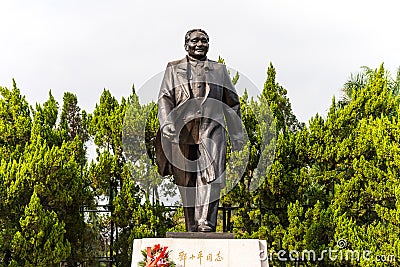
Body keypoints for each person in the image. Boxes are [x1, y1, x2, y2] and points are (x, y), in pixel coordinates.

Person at [156, 29, 243, 232]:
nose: (200, 44)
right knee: (186, 178)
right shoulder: (173, 68)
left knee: (211, 175)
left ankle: (206, 223)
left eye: (204, 41)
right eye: (195, 40)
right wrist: (166, 122)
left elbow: (232, 103)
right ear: (186, 44)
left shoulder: (219, 70)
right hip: (182, 129)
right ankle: (191, 225)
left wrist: (237, 135)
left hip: (211, 128)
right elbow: (165, 98)